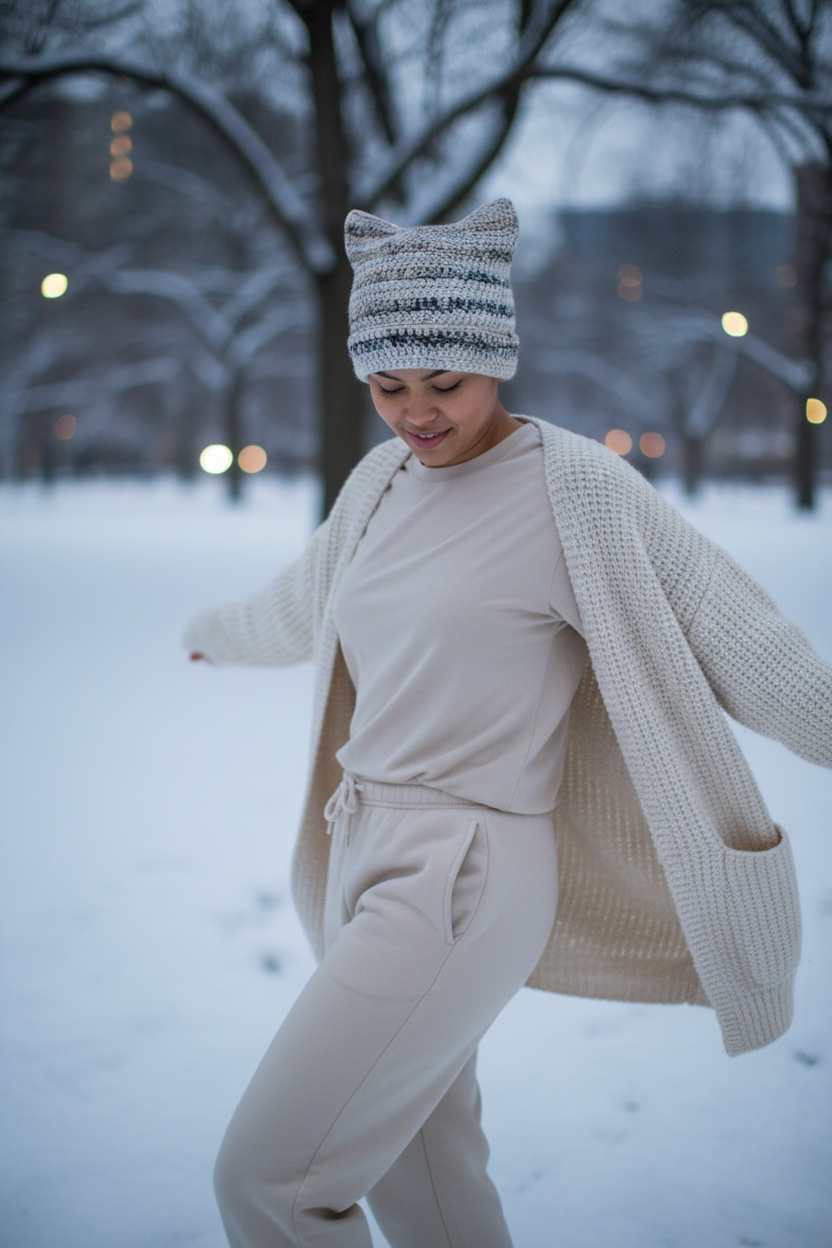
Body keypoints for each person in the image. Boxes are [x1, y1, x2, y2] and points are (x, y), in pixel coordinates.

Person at [183, 198, 832, 1248]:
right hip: (361, 851)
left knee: (269, 1181)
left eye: (446, 382)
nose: (416, 413)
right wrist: (209, 632)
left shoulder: (571, 488)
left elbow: (740, 638)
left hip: (463, 874)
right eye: (388, 385)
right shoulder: (381, 480)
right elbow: (305, 605)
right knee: (425, 1183)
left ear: (498, 357)